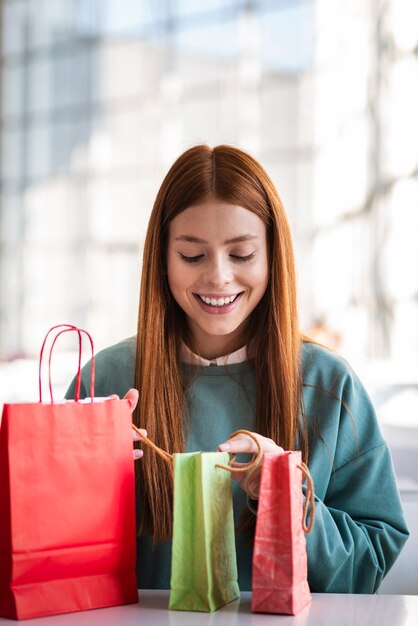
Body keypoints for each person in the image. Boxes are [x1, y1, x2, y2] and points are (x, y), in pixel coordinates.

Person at [66, 144, 408, 594]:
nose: (218, 277)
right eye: (192, 256)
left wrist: (288, 494)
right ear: (162, 260)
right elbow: (53, 552)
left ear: (272, 257)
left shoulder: (328, 385)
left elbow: (368, 566)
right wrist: (86, 474)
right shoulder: (103, 382)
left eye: (242, 254)